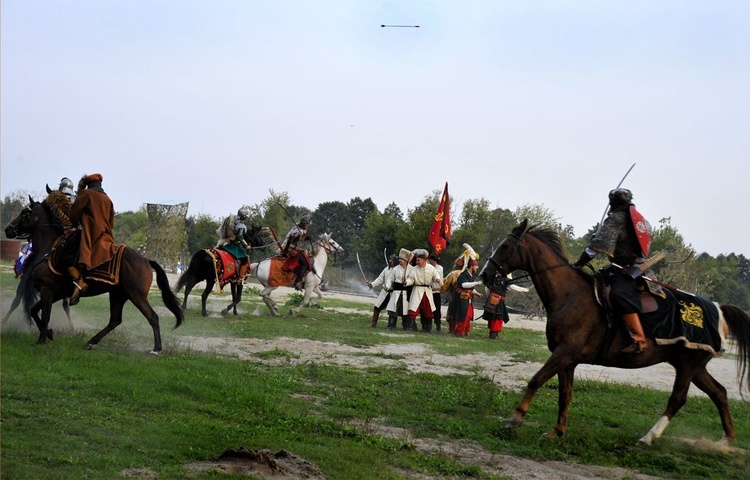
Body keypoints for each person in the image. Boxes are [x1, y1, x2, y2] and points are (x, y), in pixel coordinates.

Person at [574, 188, 653, 354]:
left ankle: (639, 340)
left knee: (619, 294)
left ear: (613, 203)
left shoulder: (616, 219)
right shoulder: (641, 220)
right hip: (634, 267)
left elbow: (594, 250)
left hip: (626, 269)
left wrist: (579, 264)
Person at [67, 173, 116, 305]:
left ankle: (78, 282)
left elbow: (73, 214)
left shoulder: (87, 194)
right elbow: (111, 224)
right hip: (106, 237)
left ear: (89, 184)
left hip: (90, 234)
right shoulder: (108, 199)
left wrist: (75, 224)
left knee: (65, 253)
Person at [404, 249, 442, 333]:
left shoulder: (431, 268)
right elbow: (411, 279)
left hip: (427, 291)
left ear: (424, 260)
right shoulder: (414, 269)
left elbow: (436, 275)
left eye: (419, 260)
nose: (417, 262)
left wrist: (437, 279)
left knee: (428, 309)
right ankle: (411, 326)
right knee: (413, 308)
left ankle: (428, 328)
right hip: (417, 290)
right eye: (417, 259)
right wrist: (407, 282)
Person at [450, 257, 483, 337]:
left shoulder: (470, 275)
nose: (477, 267)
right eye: (476, 266)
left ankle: (465, 331)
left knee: (469, 315)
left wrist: (477, 293)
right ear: (471, 266)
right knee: (463, 315)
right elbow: (463, 285)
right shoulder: (463, 275)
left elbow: (470, 287)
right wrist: (476, 283)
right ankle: (458, 332)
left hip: (467, 298)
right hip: (462, 298)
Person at [218, 207, 253, 279]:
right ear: (244, 216)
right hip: (235, 245)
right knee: (245, 259)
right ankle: (240, 277)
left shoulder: (234, 221)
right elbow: (240, 236)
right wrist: (246, 246)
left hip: (229, 243)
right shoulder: (240, 225)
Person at [282, 214, 314, 290]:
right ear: (303, 223)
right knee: (305, 264)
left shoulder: (303, 229)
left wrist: (306, 237)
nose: (308, 225)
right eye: (307, 223)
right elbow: (293, 240)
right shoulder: (296, 229)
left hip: (298, 249)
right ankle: (297, 282)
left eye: (308, 223)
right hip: (292, 249)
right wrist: (298, 236)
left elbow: (301, 239)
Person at [385, 248, 413, 331]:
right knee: (393, 309)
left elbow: (412, 279)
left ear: (406, 260)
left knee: (405, 310)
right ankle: (391, 325)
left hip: (406, 292)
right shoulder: (396, 269)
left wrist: (407, 282)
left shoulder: (411, 269)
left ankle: (406, 325)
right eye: (400, 259)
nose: (400, 260)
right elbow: (390, 279)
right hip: (396, 291)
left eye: (402, 259)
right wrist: (388, 286)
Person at [367, 254, 397, 328]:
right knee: (377, 307)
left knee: (392, 310)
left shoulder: (398, 270)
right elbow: (380, 279)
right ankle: (373, 323)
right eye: (390, 259)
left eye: (392, 260)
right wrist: (372, 284)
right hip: (385, 292)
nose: (390, 261)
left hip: (393, 293)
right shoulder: (386, 269)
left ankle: (391, 326)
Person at [428, 254, 444, 332]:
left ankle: (438, 326)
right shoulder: (429, 268)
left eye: (431, 260)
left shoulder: (439, 268)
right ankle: (429, 325)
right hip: (429, 291)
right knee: (429, 309)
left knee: (437, 310)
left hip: (436, 291)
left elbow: (434, 275)